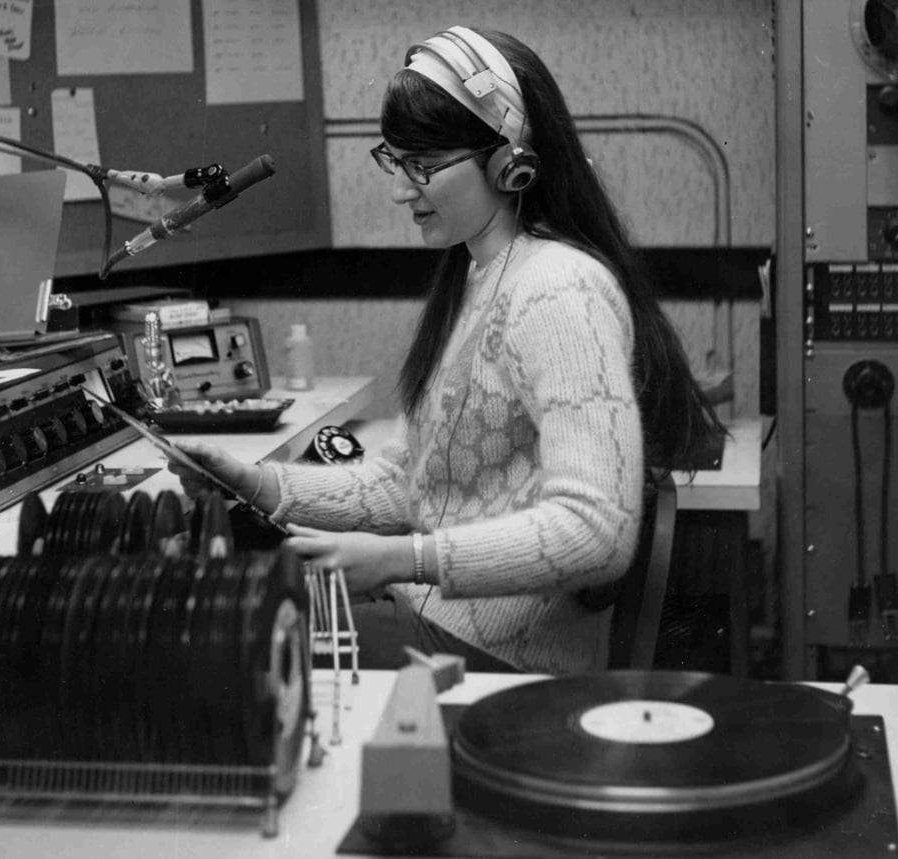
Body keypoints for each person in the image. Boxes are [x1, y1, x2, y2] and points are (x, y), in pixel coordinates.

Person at [169, 26, 723, 675]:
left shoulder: (559, 290)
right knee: (209, 614)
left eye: (424, 167)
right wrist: (257, 483)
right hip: (436, 621)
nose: (402, 190)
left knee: (200, 640)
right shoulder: (484, 276)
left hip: (494, 661)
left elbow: (596, 534)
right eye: (393, 161)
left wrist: (404, 558)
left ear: (508, 161)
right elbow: (412, 486)